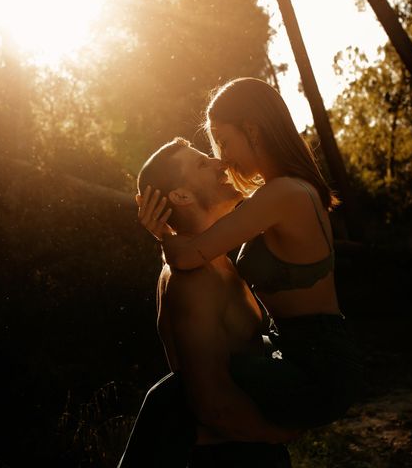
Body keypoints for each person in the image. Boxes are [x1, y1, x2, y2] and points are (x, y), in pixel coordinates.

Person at [138, 77, 362, 431]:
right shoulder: (285, 192)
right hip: (299, 353)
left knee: (175, 393)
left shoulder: (282, 194)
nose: (223, 160)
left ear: (253, 131)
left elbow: (188, 255)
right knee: (179, 392)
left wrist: (161, 230)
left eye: (224, 142)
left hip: (317, 366)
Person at [119, 137, 295, 468]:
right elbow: (211, 404)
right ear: (182, 196)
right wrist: (282, 432)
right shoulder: (194, 278)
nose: (220, 162)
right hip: (232, 456)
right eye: (203, 163)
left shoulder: (203, 260)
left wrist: (167, 236)